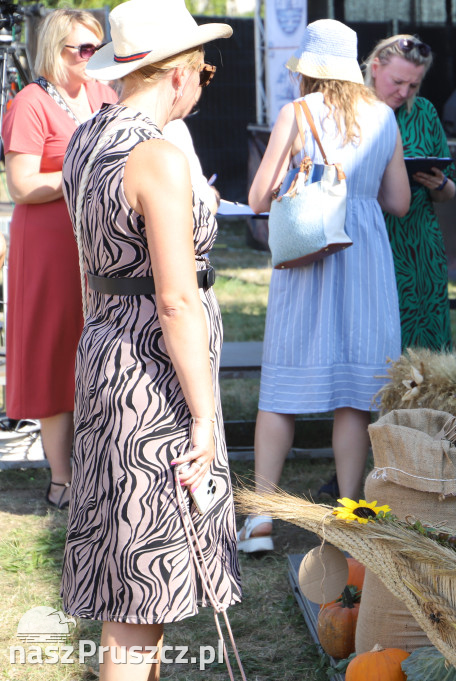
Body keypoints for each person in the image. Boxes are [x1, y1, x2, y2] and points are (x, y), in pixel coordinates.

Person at [59, 1, 239, 677]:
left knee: (138, 583)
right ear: (179, 73)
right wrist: (203, 417)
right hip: (155, 379)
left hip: (107, 354)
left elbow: (91, 268)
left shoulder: (88, 136)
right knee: (141, 588)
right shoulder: (155, 155)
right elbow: (174, 296)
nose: (203, 80)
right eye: (205, 70)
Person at [241, 19, 410, 553]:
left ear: (308, 69)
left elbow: (257, 197)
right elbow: (400, 202)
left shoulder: (296, 113)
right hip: (363, 259)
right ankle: (347, 515)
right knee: (355, 397)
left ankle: (262, 521)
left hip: (307, 254)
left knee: (282, 390)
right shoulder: (384, 116)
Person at [0, 9, 117, 509]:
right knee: (54, 351)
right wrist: (81, 173)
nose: (92, 58)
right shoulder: (29, 102)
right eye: (81, 49)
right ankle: (63, 478)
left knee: (97, 344)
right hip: (49, 243)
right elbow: (22, 186)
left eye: (97, 47)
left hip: (98, 238)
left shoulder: (102, 94)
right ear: (54, 50)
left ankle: (98, 467)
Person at [364, 34, 456, 352]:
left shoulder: (425, 113)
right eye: (398, 82)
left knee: (428, 347)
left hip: (420, 246)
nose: (404, 93)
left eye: (413, 86)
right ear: (375, 68)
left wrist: (440, 185)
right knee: (380, 341)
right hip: (372, 242)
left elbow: (450, 188)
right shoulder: (353, 112)